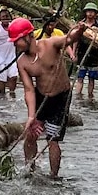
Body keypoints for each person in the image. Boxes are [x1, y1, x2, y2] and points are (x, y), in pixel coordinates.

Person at [10, 16, 87, 179]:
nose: (15, 44)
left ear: (27, 36)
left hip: (61, 98)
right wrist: (31, 116)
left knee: (52, 139)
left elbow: (69, 38)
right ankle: (28, 169)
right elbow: (29, 90)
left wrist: (79, 30)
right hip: (40, 96)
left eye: (17, 41)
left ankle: (53, 176)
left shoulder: (50, 44)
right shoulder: (22, 62)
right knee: (31, 134)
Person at [73, 3, 98, 101]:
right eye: (88, 11)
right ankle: (78, 97)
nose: (90, 13)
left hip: (94, 55)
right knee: (80, 78)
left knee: (91, 79)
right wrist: (74, 52)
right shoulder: (81, 24)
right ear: (85, 13)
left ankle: (90, 96)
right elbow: (76, 39)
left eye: (92, 12)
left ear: (95, 13)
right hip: (82, 53)